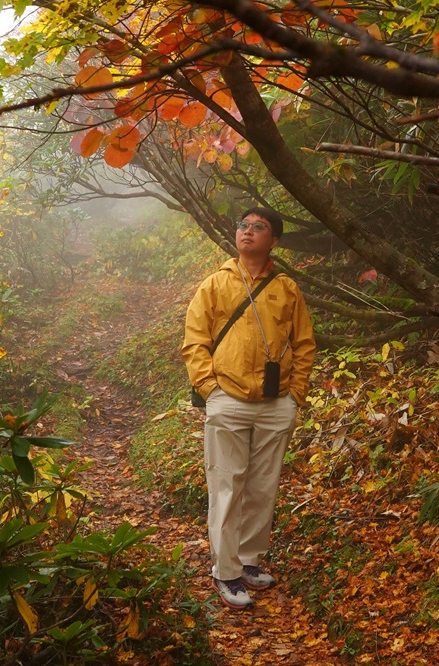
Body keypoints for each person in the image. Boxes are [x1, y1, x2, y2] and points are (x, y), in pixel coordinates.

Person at [181, 207, 316, 610]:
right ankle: (225, 572)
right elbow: (194, 340)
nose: (248, 231)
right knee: (226, 486)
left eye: (259, 227)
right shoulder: (216, 283)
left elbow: (304, 344)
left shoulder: (287, 288)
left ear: (274, 240)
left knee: (262, 486)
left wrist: (295, 395)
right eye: (243, 225)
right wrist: (210, 389)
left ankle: (249, 560)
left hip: (276, 403)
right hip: (228, 398)